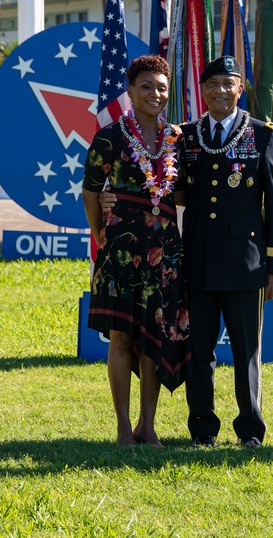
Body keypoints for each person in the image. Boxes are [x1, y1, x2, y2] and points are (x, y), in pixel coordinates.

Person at [181, 55, 273, 448]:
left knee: (246, 352)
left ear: (240, 90)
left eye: (228, 84)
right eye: (213, 85)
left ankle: (250, 431)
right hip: (198, 260)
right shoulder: (188, 137)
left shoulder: (262, 135)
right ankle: (203, 429)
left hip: (246, 265)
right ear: (203, 91)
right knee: (198, 352)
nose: (220, 91)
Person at [82, 54, 189, 447]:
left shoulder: (178, 139)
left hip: (164, 252)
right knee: (122, 338)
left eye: (161, 87)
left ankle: (148, 425)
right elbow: (91, 192)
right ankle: (123, 427)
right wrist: (101, 235)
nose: (155, 94)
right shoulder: (109, 136)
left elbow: (182, 194)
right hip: (120, 252)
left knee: (153, 338)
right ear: (130, 90)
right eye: (146, 86)